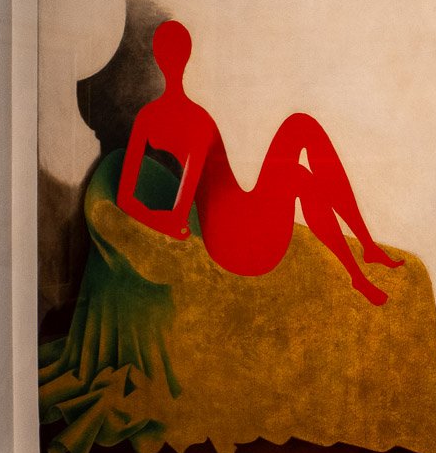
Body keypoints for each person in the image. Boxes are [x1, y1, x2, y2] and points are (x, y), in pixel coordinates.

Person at [116, 19, 402, 305]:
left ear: (159, 57)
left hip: (244, 215)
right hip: (237, 243)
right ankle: (357, 274)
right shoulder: (195, 120)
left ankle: (367, 246)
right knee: (297, 174)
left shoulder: (150, 117)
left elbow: (130, 200)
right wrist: (165, 222)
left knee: (300, 125)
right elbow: (176, 216)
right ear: (185, 57)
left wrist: (158, 219)